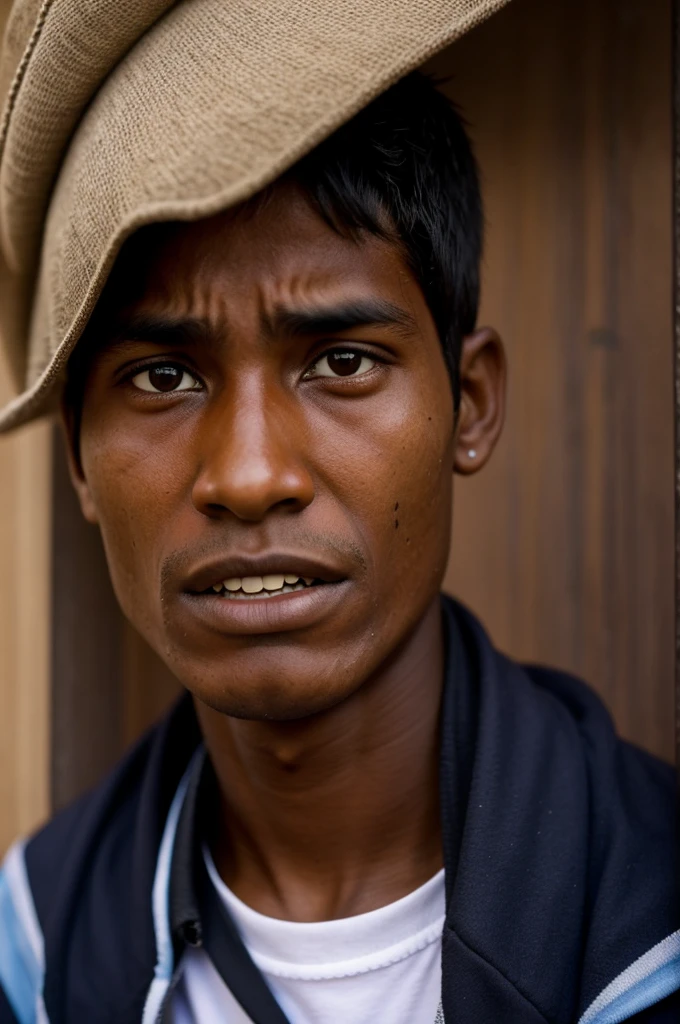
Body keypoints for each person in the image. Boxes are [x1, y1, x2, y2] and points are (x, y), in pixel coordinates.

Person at [0, 5, 677, 1024]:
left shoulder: (649, 911)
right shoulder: (35, 956)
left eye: (340, 361)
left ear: (470, 403)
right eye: (165, 375)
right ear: (81, 467)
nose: (249, 472)